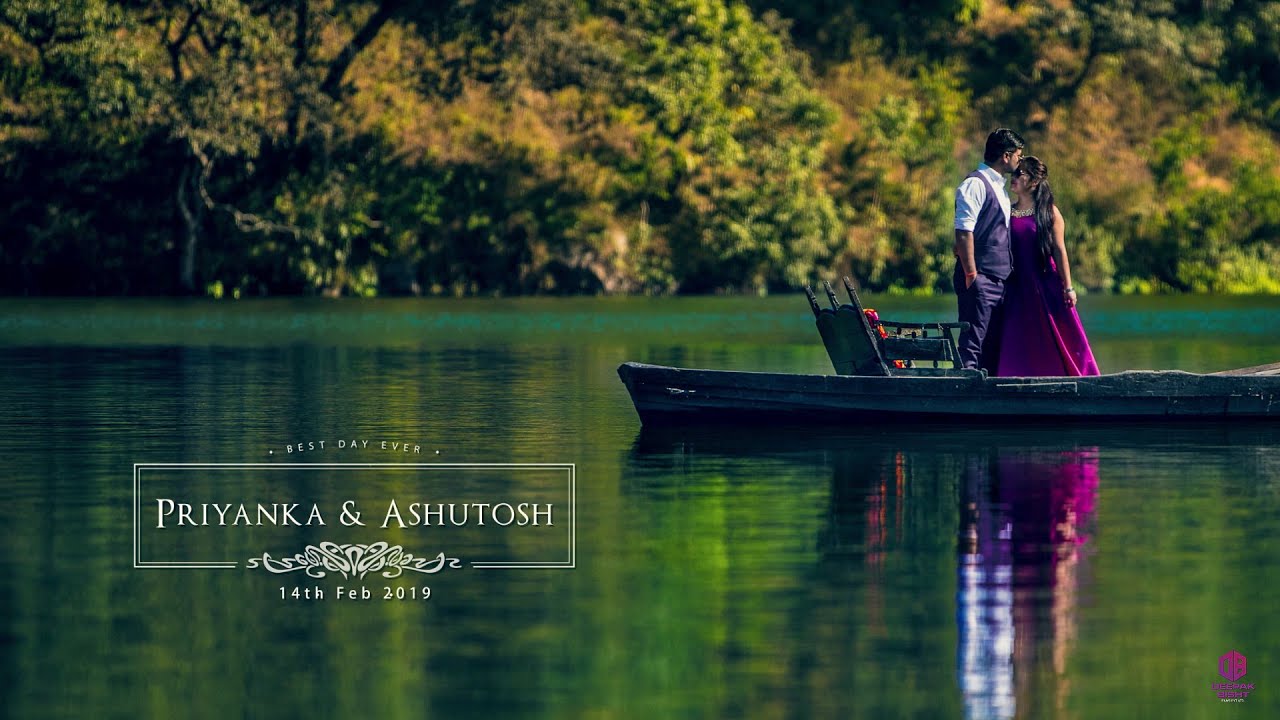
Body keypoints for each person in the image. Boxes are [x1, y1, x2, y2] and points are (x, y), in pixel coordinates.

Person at [994, 157, 1100, 376]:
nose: (1012, 178)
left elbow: (1060, 251)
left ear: (1033, 181)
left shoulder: (1050, 212)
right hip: (1016, 286)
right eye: (1013, 174)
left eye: (1019, 174)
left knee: (1059, 333)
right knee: (1020, 335)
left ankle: (1075, 377)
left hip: (1046, 284)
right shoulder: (1007, 211)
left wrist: (1068, 287)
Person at [954, 128, 1025, 371]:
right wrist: (972, 275)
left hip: (999, 280)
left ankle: (988, 397)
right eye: (1018, 155)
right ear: (1005, 156)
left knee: (993, 345)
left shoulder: (1001, 190)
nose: (1020, 160)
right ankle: (965, 394)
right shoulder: (975, 184)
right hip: (980, 278)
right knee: (973, 343)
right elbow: (964, 232)